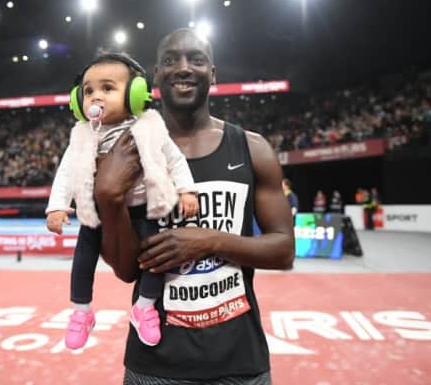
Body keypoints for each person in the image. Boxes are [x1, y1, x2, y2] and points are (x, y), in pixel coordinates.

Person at [93, 28, 295, 384]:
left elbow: (284, 251)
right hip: (154, 365)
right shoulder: (130, 152)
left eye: (196, 59)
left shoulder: (252, 149)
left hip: (240, 362)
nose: (183, 67)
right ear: (157, 76)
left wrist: (209, 241)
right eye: (171, 60)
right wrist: (108, 198)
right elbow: (126, 270)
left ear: (212, 74)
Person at [45, 51, 199, 349]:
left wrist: (187, 190)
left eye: (107, 88)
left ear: (135, 95)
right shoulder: (83, 135)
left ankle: (144, 307)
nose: (95, 96)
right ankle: (81, 311)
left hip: (144, 211)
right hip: (97, 213)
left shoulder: (149, 129)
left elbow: (176, 159)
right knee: (82, 258)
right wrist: (57, 206)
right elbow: (65, 172)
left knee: (156, 258)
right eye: (88, 91)